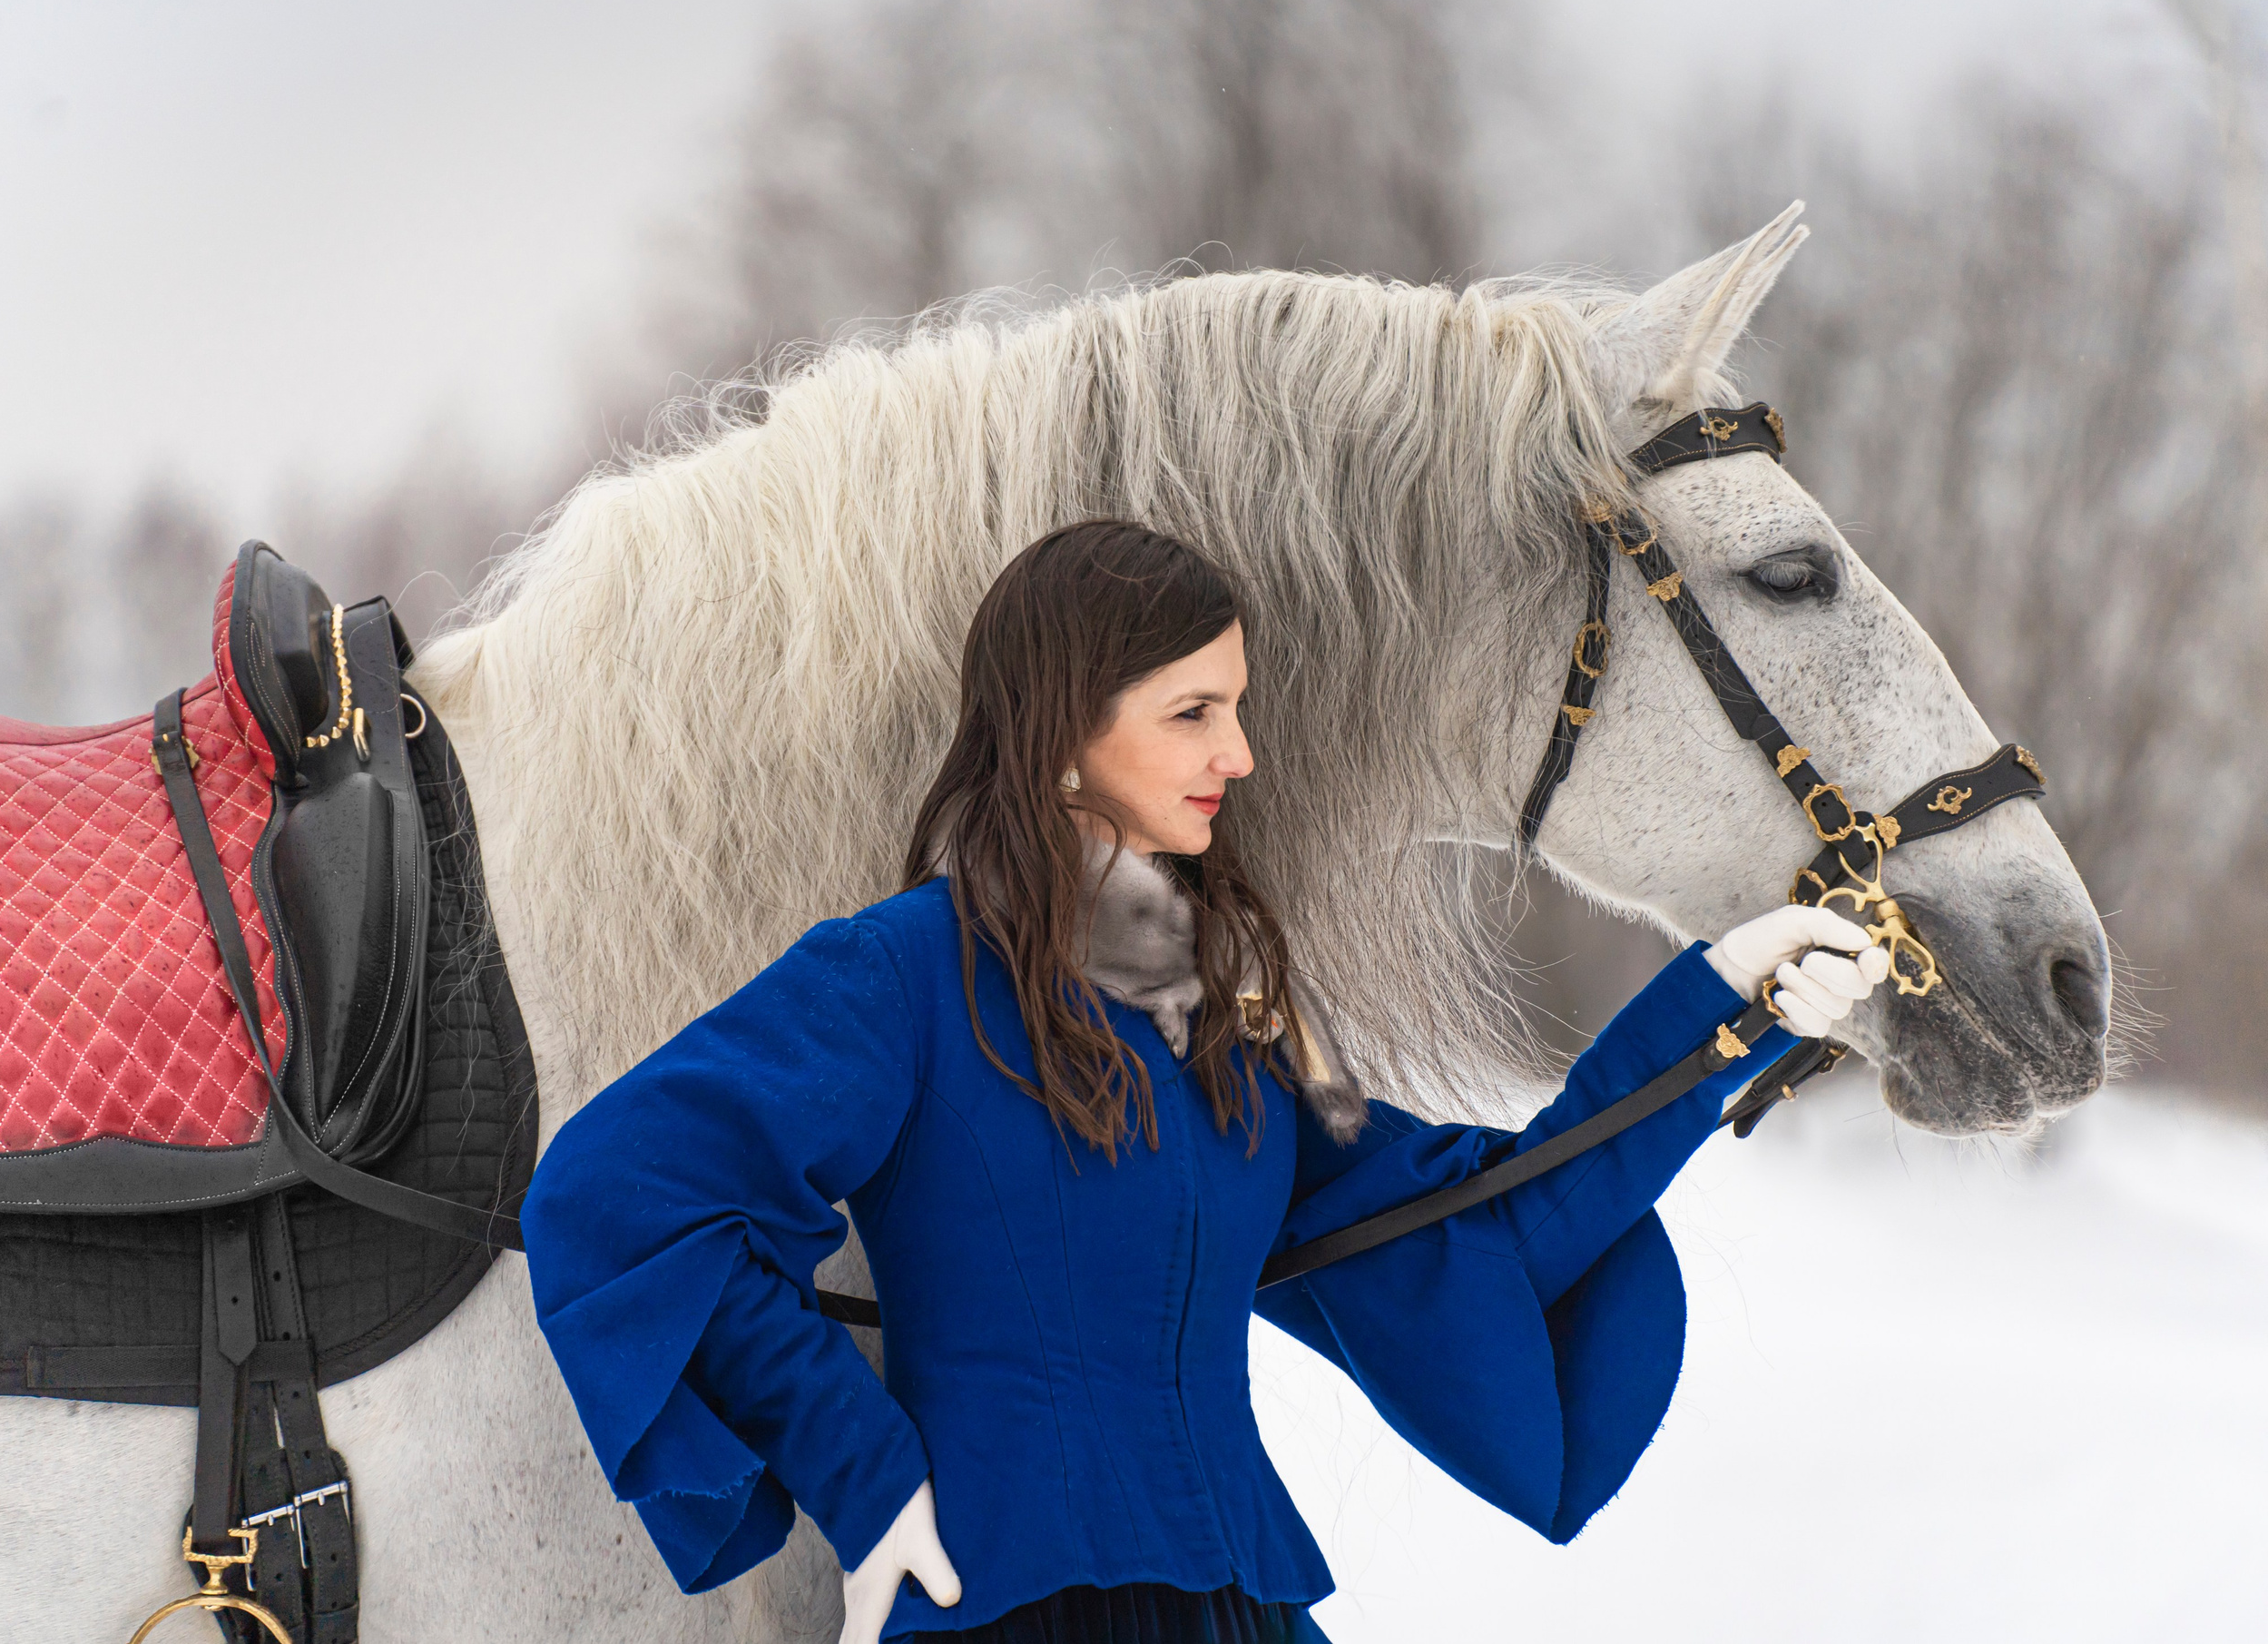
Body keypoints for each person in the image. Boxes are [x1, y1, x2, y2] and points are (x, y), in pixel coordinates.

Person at [520, 518, 1886, 1644]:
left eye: (1236, 708)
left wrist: (1718, 1014)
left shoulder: (1232, 1005)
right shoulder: (899, 974)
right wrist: (866, 1479)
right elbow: (619, 1195)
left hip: (1246, 1606)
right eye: (1192, 712)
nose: (1237, 752)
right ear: (1063, 733)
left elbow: (1471, 1223)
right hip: (1007, 1607)